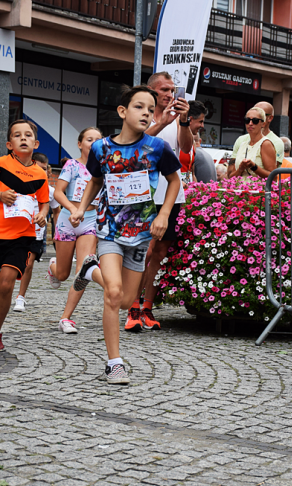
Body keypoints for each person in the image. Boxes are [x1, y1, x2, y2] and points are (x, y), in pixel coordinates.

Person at [69, 85, 181, 384]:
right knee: (113, 293)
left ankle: (90, 270)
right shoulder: (100, 148)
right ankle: (114, 363)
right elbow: (95, 180)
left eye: (150, 109)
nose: (146, 113)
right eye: (139, 107)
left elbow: (174, 181)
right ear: (122, 111)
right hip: (109, 230)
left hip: (142, 233)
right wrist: (81, 208)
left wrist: (164, 214)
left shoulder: (157, 148)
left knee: (126, 299)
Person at [123, 71, 191, 333]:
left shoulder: (177, 117)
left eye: (172, 89)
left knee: (160, 253)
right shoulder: (141, 115)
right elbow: (136, 144)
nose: (170, 94)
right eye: (164, 89)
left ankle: (147, 307)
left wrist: (183, 122)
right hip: (142, 195)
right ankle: (132, 306)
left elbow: (185, 149)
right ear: (151, 91)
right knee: (144, 252)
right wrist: (162, 122)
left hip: (171, 193)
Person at [0, 119, 49, 353]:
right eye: (17, 135)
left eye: (27, 135)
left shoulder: (40, 174)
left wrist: (42, 215)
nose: (23, 138)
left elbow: (44, 203)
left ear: (35, 143)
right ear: (9, 143)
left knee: (5, 286)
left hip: (21, 238)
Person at [25, 128, 106, 334]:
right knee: (62, 274)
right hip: (67, 221)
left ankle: (66, 318)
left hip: (90, 222)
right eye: (89, 139)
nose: (93, 142)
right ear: (80, 144)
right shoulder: (72, 165)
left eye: (98, 140)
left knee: (84, 271)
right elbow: (58, 192)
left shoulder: (105, 169)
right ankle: (53, 267)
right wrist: (72, 209)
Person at [14, 152, 55, 310]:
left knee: (28, 264)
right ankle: (5, 291)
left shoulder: (49, 190)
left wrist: (56, 235)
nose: (42, 172)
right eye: (39, 168)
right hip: (15, 230)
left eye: (45, 169)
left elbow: (56, 211)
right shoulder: (17, 183)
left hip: (36, 232)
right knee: (12, 264)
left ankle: (20, 297)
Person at [228, 101, 284, 177]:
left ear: (263, 123)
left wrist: (253, 166)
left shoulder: (267, 143)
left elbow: (272, 177)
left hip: (258, 188)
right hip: (241, 187)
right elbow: (230, 176)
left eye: (255, 121)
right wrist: (241, 169)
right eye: (247, 120)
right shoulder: (242, 143)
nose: (250, 123)